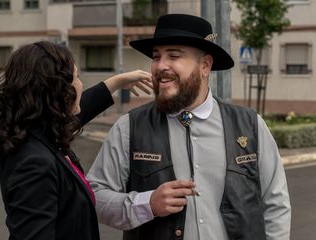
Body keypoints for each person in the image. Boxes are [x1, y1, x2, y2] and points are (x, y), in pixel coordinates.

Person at [87, 14, 291, 240]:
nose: (161, 66)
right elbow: (93, 198)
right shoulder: (129, 127)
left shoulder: (250, 125)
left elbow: (276, 204)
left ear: (205, 65)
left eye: (174, 55)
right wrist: (146, 204)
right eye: (156, 57)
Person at [0, 40, 152, 240]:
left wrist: (117, 82)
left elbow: (75, 115)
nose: (80, 84)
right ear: (57, 89)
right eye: (76, 77)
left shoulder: (34, 131)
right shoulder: (34, 163)